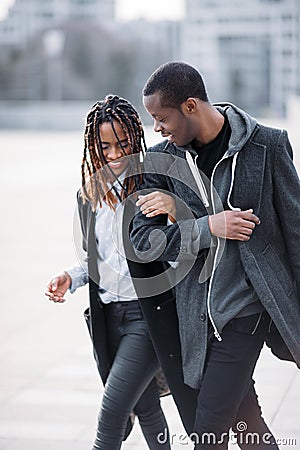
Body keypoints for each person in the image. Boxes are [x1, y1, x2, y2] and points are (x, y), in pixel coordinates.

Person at [130, 62, 300, 449]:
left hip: (247, 311)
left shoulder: (267, 146)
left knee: (208, 428)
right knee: (247, 422)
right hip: (194, 317)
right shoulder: (162, 162)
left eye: (161, 117)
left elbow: (296, 232)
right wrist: (208, 226)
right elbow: (142, 241)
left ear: (190, 106)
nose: (156, 128)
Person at [45, 94, 174, 450]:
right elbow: (97, 261)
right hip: (107, 318)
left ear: (135, 139)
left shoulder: (153, 186)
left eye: (123, 144)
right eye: (105, 146)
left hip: (146, 318)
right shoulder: (89, 196)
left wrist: (177, 213)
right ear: (93, 147)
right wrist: (72, 277)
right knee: (145, 406)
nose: (115, 154)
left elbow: (177, 251)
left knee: (112, 412)